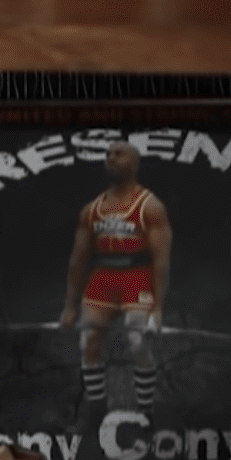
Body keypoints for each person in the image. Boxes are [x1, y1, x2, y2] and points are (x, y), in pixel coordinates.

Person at [59, 141, 172, 419]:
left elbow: (161, 260)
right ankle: (96, 411)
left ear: (135, 163)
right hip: (102, 280)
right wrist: (70, 307)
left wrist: (157, 310)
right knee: (89, 343)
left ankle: (146, 413)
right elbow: (78, 260)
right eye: (107, 154)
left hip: (137, 279)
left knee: (138, 342)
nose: (110, 157)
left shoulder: (150, 206)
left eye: (119, 153)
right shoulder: (91, 210)